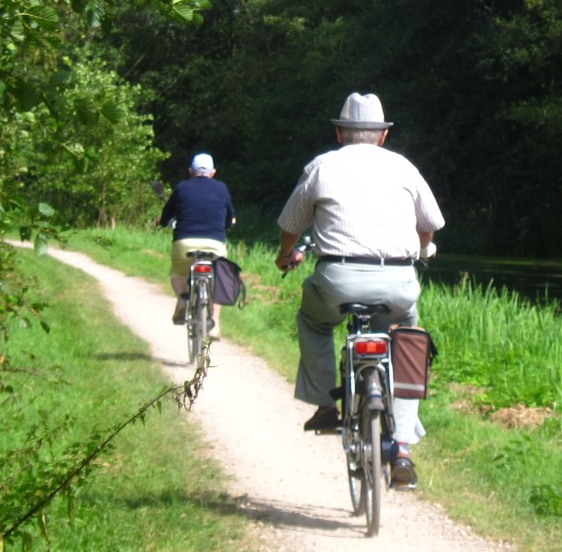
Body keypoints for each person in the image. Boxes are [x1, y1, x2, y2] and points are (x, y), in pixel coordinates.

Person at [275, 92, 445, 489]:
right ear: (383, 136)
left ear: (339, 132)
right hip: (398, 280)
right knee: (407, 340)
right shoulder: (403, 167)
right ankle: (401, 447)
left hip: (337, 277)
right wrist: (422, 250)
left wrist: (287, 255)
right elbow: (430, 221)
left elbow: (291, 225)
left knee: (314, 323)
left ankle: (324, 406)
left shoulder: (321, 166)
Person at [157, 152, 236, 339]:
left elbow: (166, 215)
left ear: (190, 171)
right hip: (215, 244)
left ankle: (183, 299)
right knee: (220, 277)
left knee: (178, 272)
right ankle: (214, 323)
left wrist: (160, 222)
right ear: (213, 172)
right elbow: (229, 217)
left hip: (185, 243)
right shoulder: (222, 188)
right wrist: (228, 223)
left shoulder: (181, 188)